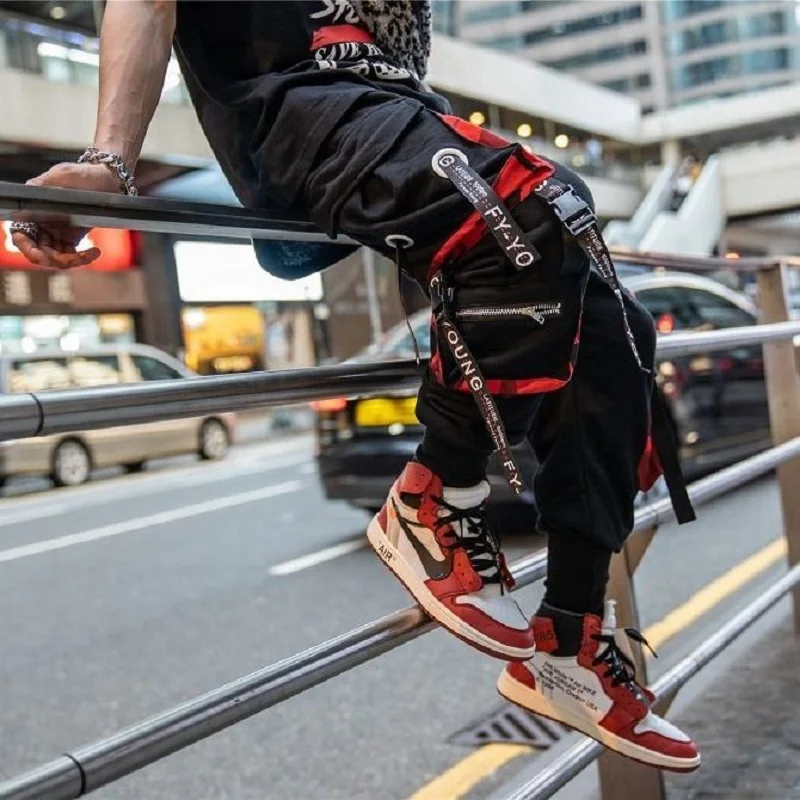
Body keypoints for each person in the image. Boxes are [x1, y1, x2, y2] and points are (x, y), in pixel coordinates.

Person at [11, 0, 700, 772]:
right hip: (296, 104)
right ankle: (434, 501)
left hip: (392, 103)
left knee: (614, 327)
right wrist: (110, 161)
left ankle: (570, 640)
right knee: (528, 206)